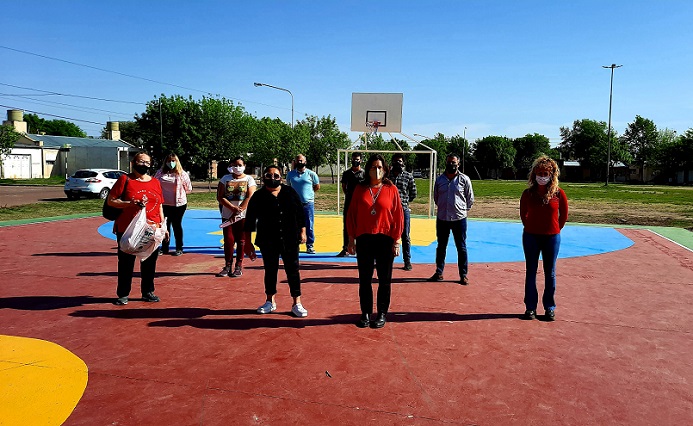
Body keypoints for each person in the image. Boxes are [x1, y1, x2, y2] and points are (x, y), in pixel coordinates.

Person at [347, 154, 404, 329]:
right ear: (368, 169)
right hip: (364, 238)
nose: (377, 170)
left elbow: (398, 216)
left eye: (380, 167)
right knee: (364, 279)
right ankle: (365, 313)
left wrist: (396, 241)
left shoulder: (391, 189)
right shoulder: (360, 189)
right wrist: (351, 239)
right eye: (373, 167)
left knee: (384, 279)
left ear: (385, 169)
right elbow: (351, 215)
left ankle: (381, 313)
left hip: (385, 239)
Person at [244, 165, 308, 318]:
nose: (272, 178)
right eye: (269, 175)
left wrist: (303, 231)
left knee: (293, 270)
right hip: (268, 239)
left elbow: (300, 213)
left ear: (281, 177)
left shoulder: (290, 192)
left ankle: (296, 302)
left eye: (276, 175)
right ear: (264, 177)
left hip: (290, 238)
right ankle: (269, 300)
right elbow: (250, 219)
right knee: (270, 270)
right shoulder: (258, 196)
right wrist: (247, 242)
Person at [107, 152, 166, 305]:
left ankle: (147, 291)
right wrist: (130, 204)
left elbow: (159, 204)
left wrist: (162, 225)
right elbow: (112, 201)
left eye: (147, 162)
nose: (144, 165)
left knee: (149, 261)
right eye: (141, 162)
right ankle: (123, 294)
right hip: (128, 228)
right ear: (133, 163)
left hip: (151, 228)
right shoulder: (125, 180)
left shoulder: (155, 182)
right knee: (126, 262)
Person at [520, 155, 569, 321]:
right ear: (534, 174)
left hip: (552, 238)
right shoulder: (528, 194)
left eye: (545, 173)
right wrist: (531, 227)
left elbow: (563, 216)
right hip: (531, 237)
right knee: (531, 272)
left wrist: (555, 229)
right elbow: (523, 215)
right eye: (539, 172)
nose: (542, 176)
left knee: (550, 273)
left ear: (552, 174)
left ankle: (549, 307)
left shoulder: (559, 193)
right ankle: (530, 308)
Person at [429, 154, 475, 285]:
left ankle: (463, 274)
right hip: (442, 218)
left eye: (453, 162)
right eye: (449, 162)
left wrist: (462, 210)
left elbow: (470, 198)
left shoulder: (464, 179)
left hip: (459, 219)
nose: (451, 164)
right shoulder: (439, 180)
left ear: (458, 164)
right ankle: (439, 272)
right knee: (441, 246)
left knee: (461, 247)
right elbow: (436, 198)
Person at [216, 157, 257, 278]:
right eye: (234, 165)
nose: (237, 167)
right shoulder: (225, 179)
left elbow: (250, 196)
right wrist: (232, 208)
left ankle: (238, 266)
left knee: (241, 240)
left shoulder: (249, 179)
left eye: (239, 165)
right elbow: (220, 196)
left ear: (244, 166)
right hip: (227, 214)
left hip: (243, 216)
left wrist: (240, 209)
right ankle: (227, 265)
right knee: (228, 240)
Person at [154, 153, 192, 256]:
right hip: (164, 204)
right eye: (169, 161)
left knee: (176, 225)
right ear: (165, 162)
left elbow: (189, 188)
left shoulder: (182, 174)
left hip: (179, 204)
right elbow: (154, 184)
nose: (171, 163)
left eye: (173, 161)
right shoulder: (160, 173)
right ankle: (164, 247)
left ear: (177, 162)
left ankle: (179, 248)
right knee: (165, 226)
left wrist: (180, 192)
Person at [286, 154, 320, 254]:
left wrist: (309, 195)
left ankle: (310, 245)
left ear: (305, 161)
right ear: (295, 162)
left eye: (301, 161)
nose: (299, 162)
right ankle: (295, 244)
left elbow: (317, 186)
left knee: (309, 224)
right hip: (295, 204)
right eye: (298, 161)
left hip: (308, 204)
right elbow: (289, 187)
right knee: (294, 224)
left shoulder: (311, 174)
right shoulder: (290, 174)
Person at [390, 153, 417, 270]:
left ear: (403, 163)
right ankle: (387, 260)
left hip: (403, 210)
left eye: (400, 161)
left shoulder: (408, 176)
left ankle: (407, 261)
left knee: (405, 236)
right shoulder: (386, 176)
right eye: (395, 161)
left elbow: (413, 193)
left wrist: (404, 202)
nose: (398, 163)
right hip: (389, 211)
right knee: (387, 236)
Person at [337, 152, 364, 257]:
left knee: (360, 226)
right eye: (353, 159)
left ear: (361, 160)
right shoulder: (347, 173)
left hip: (361, 204)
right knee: (347, 225)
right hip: (349, 203)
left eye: (357, 159)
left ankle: (360, 249)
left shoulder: (364, 174)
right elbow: (344, 186)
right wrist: (349, 195)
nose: (355, 161)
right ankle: (346, 248)